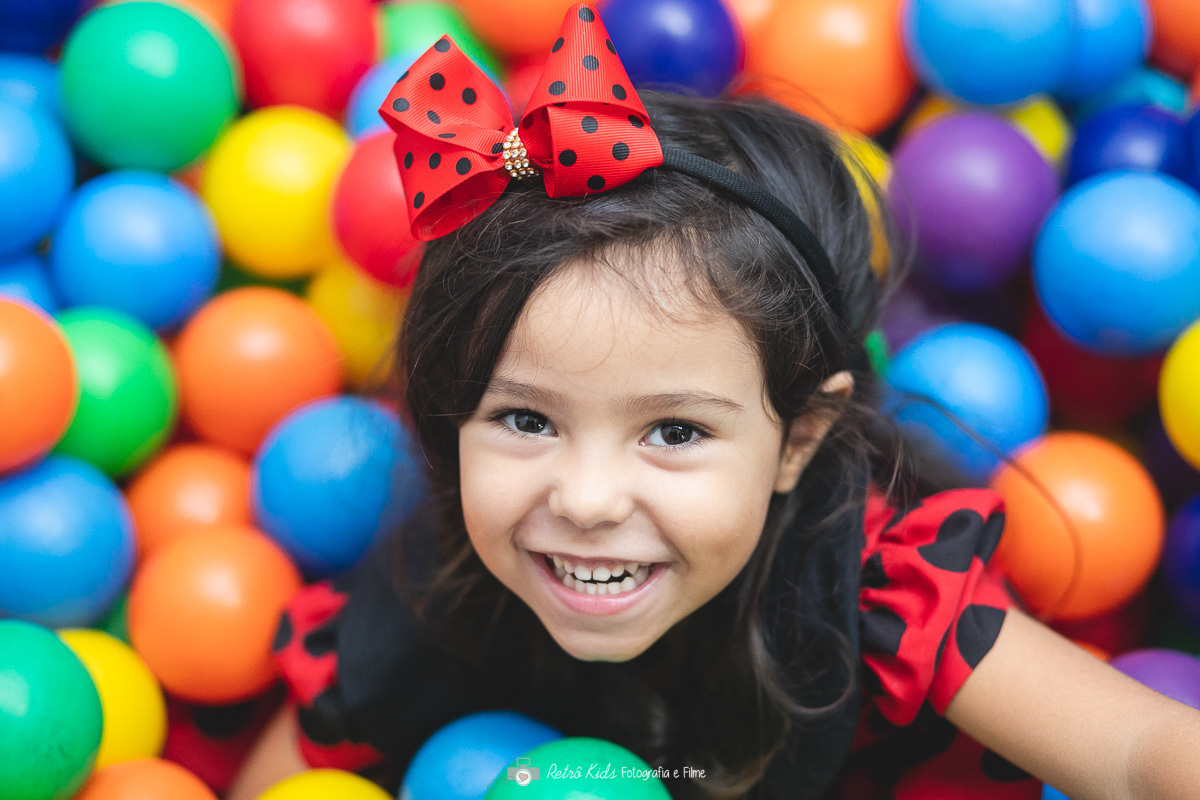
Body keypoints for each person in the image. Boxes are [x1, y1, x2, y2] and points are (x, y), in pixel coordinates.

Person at [229, 5, 1200, 799]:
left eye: (675, 429)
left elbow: (1134, 750)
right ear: (448, 420)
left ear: (798, 438)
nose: (589, 497)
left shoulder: (874, 586)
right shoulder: (426, 586)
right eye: (526, 419)